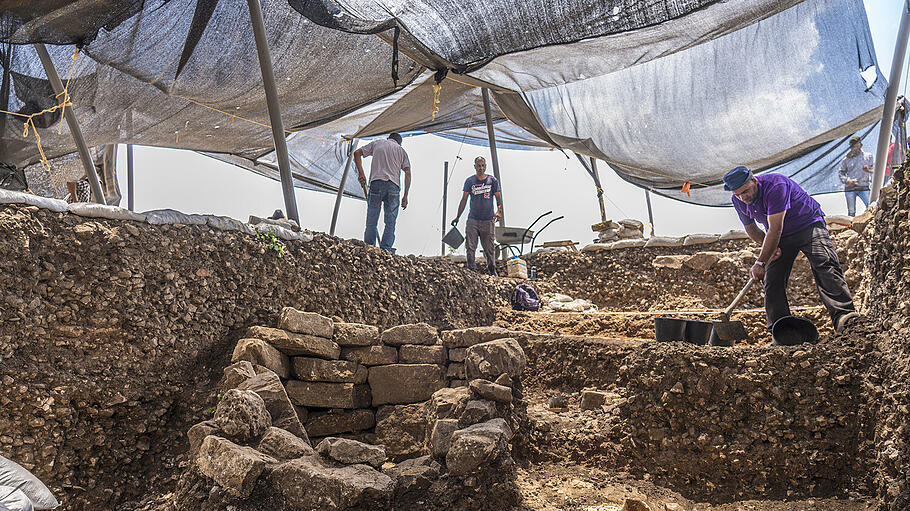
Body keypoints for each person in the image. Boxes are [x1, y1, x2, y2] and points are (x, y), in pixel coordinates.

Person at [724, 166, 858, 334]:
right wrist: (771, 249)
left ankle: (845, 318)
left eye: (746, 191)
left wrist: (760, 262)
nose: (743, 197)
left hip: (808, 225)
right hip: (779, 236)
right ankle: (781, 329)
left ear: (755, 181)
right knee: (772, 279)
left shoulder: (775, 185)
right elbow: (751, 229)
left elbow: (775, 229)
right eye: (738, 194)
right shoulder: (738, 200)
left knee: (824, 262)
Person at [354, 133, 411, 253]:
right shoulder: (401, 151)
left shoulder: (378, 143)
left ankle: (369, 248)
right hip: (393, 186)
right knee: (390, 222)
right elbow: (408, 173)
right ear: (399, 142)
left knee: (372, 219)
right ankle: (386, 250)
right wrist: (405, 196)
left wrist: (361, 173)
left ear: (388, 138)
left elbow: (357, 153)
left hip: (376, 183)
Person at [451, 156, 503, 276]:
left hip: (488, 220)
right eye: (478, 165)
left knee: (489, 248)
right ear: (475, 166)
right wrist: (457, 216)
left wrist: (499, 211)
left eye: (483, 165)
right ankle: (472, 271)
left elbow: (498, 198)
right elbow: (464, 200)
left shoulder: (492, 181)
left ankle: (492, 271)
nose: (481, 168)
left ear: (485, 166)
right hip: (473, 219)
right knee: (470, 246)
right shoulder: (470, 181)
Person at [838, 136, 873, 216]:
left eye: (855, 146)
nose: (854, 148)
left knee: (870, 206)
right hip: (850, 188)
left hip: (864, 187)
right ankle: (851, 227)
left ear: (860, 145)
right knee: (851, 211)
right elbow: (841, 173)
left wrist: (868, 171)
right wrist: (847, 181)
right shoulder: (846, 159)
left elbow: (875, 171)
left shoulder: (868, 156)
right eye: (852, 146)